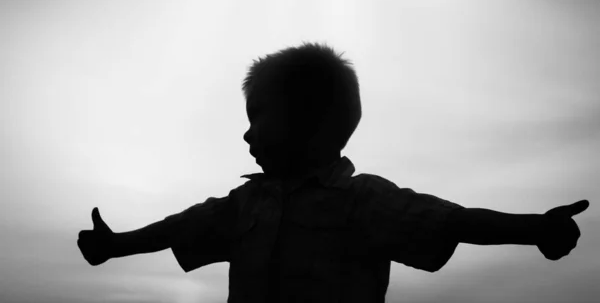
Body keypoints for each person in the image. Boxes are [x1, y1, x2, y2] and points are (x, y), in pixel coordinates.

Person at [78, 42, 589, 303]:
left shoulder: (362, 202)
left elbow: (450, 221)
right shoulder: (246, 205)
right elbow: (181, 228)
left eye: (260, 119)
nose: (247, 136)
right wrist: (116, 244)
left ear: (315, 126)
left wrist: (533, 227)